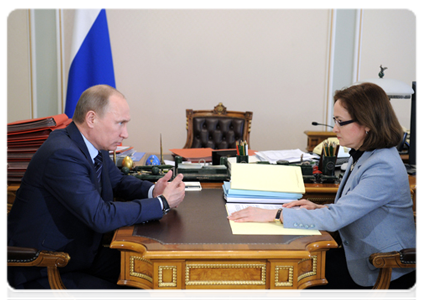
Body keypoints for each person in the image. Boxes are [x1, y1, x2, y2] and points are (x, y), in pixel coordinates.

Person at [228, 82, 419, 300]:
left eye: (340, 121)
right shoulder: (366, 154)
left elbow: (337, 218)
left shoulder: (382, 165)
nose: (334, 129)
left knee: (282, 284)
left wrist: (275, 214)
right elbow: (354, 207)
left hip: (380, 269)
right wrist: (320, 207)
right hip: (358, 255)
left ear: (367, 123)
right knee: (280, 277)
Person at [5, 84, 186, 299]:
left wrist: (153, 190)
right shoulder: (62, 154)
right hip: (44, 267)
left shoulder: (91, 146)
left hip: (80, 253)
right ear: (91, 119)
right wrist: (161, 203)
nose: (125, 133)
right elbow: (100, 216)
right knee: (129, 293)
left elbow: (118, 182)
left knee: (151, 275)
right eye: (120, 123)